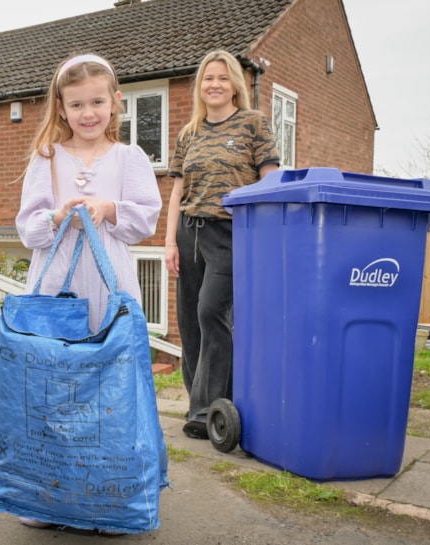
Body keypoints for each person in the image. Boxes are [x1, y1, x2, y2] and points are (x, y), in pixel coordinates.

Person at [13, 53, 163, 532]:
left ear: (115, 102)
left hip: (107, 284)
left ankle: (108, 492)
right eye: (77, 104)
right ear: (61, 107)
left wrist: (109, 207)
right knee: (52, 387)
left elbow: (145, 220)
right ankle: (48, 492)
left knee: (108, 390)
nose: (89, 113)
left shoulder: (130, 158)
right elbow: (27, 228)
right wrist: (57, 218)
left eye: (98, 101)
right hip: (58, 285)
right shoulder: (47, 159)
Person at [164, 50, 280, 440]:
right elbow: (178, 190)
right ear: (200, 86)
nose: (214, 84)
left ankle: (206, 409)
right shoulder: (188, 132)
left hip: (230, 234)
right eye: (207, 78)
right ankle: (209, 404)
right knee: (189, 322)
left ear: (235, 85)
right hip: (189, 232)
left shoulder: (253, 124)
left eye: (222, 77)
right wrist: (169, 243)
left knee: (212, 312)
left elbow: (271, 181)